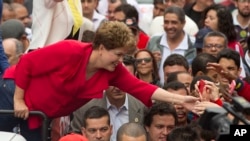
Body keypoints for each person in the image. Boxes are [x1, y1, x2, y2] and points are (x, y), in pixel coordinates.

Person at [11, 21, 198, 140]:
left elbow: (143, 88)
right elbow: (27, 62)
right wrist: (18, 100)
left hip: (38, 114)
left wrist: (182, 100)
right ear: (101, 48)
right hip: (13, 93)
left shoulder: (113, 71)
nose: (120, 60)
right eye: (117, 54)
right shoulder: (71, 50)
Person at [146, 6, 196, 86]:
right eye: (166, 22)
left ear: (183, 23)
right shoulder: (154, 41)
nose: (169, 26)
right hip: (157, 91)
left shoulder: (193, 45)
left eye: (174, 22)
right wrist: (151, 62)